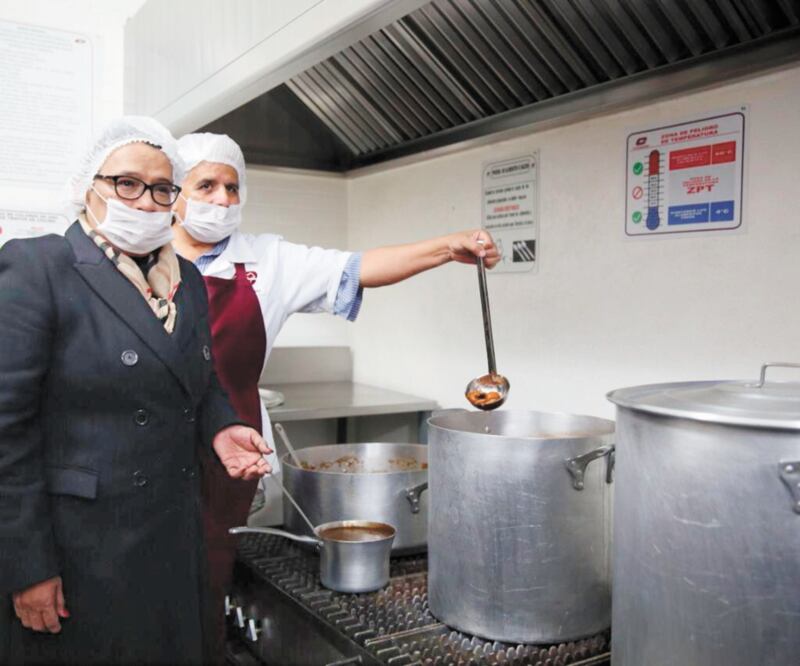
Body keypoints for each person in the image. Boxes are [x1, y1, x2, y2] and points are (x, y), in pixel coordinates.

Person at [171, 132, 500, 659]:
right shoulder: (143, 256)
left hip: (225, 460)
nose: (223, 200)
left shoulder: (265, 260)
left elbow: (357, 266)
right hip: (143, 454)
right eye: (205, 185)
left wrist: (446, 247)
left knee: (207, 584)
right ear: (173, 190)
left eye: (232, 188)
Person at [0, 117, 271, 665]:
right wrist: (27, 567)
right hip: (80, 550)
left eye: (163, 188)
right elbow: (6, 431)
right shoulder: (39, 266)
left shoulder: (186, 281)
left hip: (172, 532)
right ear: (88, 186)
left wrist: (221, 427)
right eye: (127, 183)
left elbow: (199, 381)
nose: (147, 202)